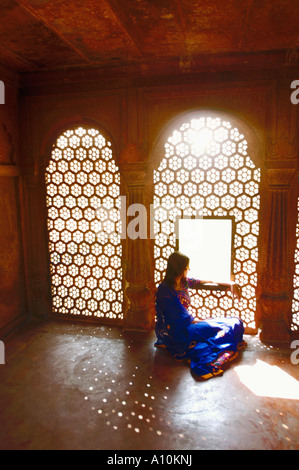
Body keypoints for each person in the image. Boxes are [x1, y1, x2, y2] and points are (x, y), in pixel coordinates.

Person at [154, 251, 246, 379]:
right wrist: (199, 322)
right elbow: (172, 321)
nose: (189, 269)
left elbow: (207, 281)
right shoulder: (165, 291)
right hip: (181, 334)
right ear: (179, 269)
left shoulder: (184, 282)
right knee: (224, 328)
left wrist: (230, 284)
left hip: (189, 325)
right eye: (187, 267)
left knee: (235, 322)